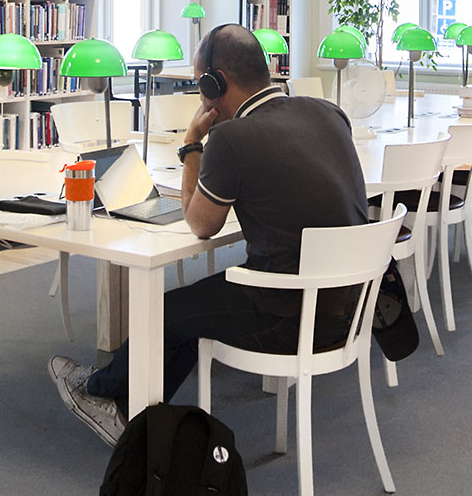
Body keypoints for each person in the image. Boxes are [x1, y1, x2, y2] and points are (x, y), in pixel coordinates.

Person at [49, 23, 370, 446]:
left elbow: (200, 224)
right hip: (349, 306)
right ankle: (126, 403)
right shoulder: (326, 112)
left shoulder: (231, 137)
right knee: (191, 308)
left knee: (164, 312)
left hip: (290, 314)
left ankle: (102, 394)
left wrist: (191, 144)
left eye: (201, 81)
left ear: (213, 83)